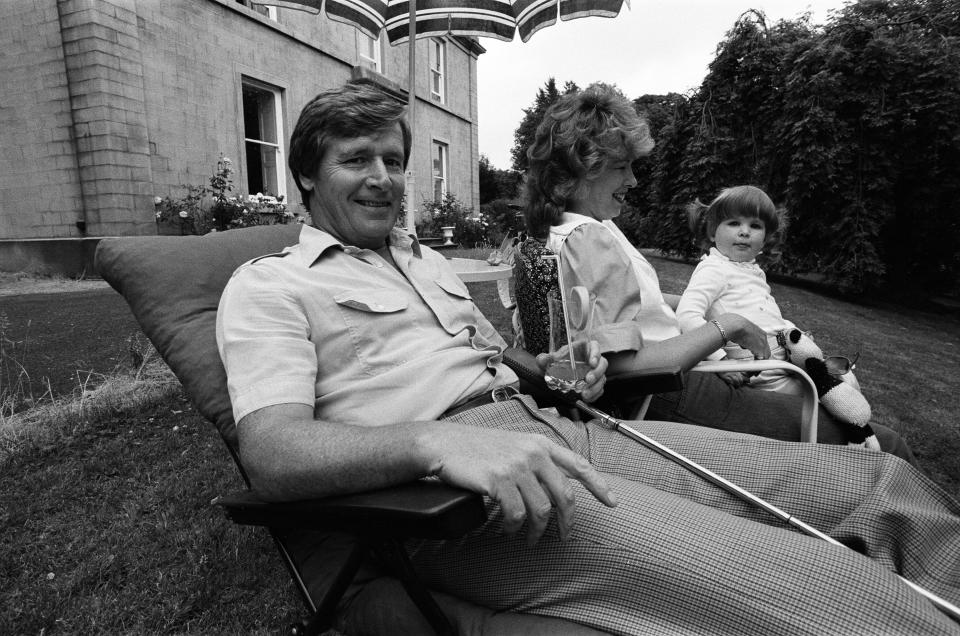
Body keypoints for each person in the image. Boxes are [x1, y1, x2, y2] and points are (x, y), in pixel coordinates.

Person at [216, 80, 960, 635]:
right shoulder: (270, 285)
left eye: (391, 158)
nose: (381, 176)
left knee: (881, 484)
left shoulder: (425, 263)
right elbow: (273, 452)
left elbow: (496, 359)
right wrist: (435, 443)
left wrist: (565, 372)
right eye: (355, 159)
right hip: (465, 495)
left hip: (569, 429)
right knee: (826, 589)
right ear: (307, 175)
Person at [522, 82, 903, 455]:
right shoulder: (591, 238)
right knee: (886, 444)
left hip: (680, 386)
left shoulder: (569, 230)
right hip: (670, 396)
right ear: (583, 168)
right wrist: (727, 326)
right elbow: (623, 367)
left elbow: (626, 306)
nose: (633, 180)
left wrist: (700, 305)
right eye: (622, 167)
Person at [677, 185, 879, 449]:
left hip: (784, 365)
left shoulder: (752, 272)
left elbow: (765, 315)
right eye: (734, 222)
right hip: (757, 372)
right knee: (831, 406)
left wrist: (790, 330)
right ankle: (856, 444)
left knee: (843, 384)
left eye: (755, 225)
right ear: (713, 230)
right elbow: (687, 315)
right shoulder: (713, 269)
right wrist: (721, 359)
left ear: (766, 238)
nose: (744, 231)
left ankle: (859, 433)